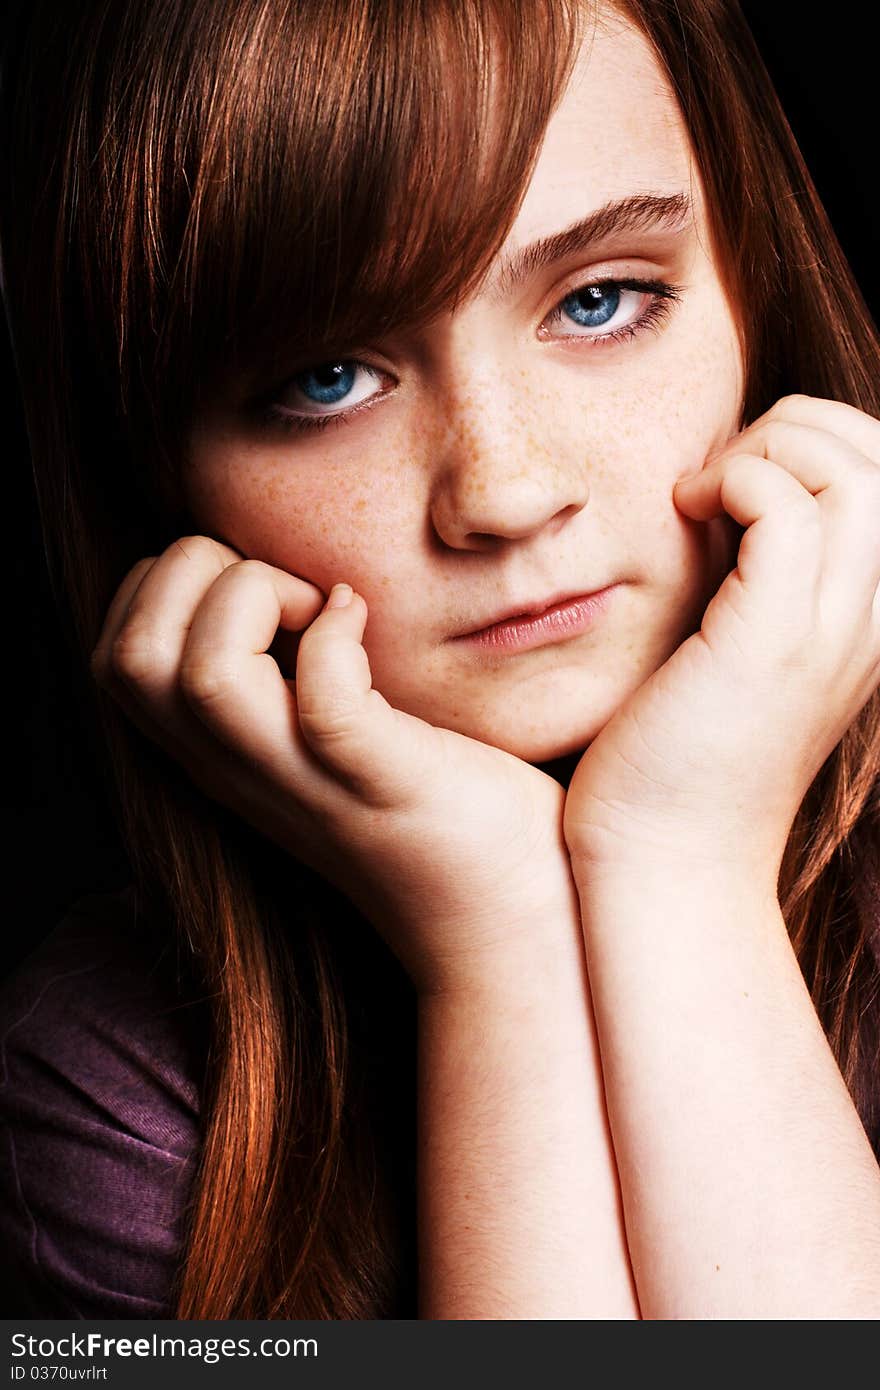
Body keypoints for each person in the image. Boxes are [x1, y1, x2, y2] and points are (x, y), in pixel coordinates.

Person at [2, 0, 880, 1321]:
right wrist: (500, 945)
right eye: (327, 379)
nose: (506, 491)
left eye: (599, 301)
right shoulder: (109, 1098)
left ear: (756, 286)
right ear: (163, 471)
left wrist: (681, 854)